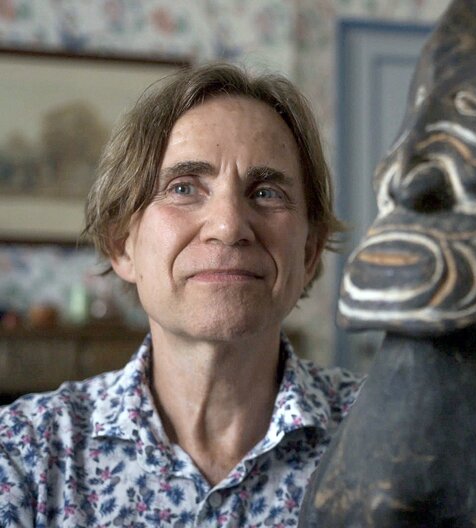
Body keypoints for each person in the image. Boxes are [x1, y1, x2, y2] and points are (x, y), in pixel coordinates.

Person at [0, 63, 362, 526]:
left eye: (267, 192)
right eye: (184, 187)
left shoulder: (394, 436)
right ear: (121, 245)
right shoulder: (25, 456)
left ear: (309, 251)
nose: (228, 226)